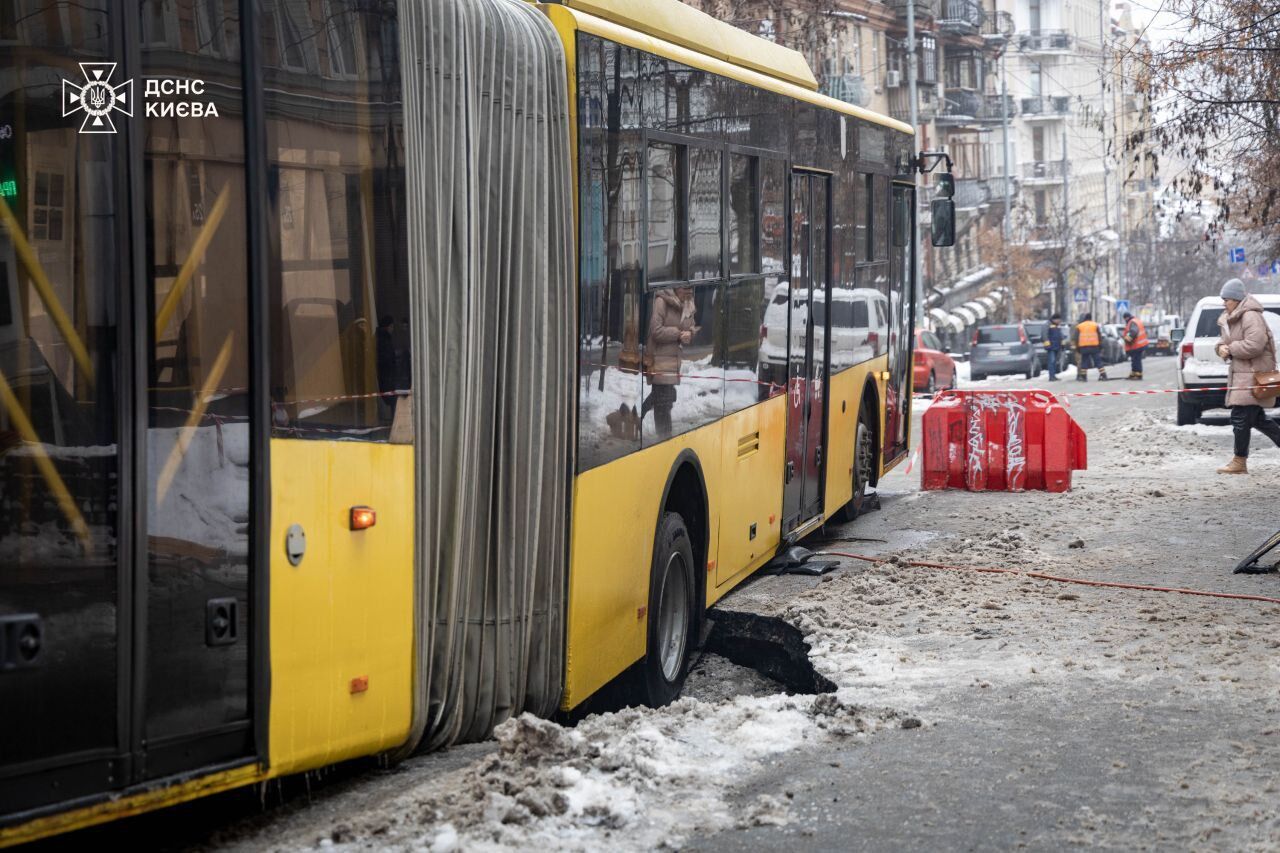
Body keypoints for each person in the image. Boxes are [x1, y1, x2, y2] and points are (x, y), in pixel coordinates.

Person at [1213, 278, 1280, 474]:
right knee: (1258, 420)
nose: (1223, 303)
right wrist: (1221, 349)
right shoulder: (1232, 317)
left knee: (1240, 419)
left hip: (1252, 375)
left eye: (1226, 299)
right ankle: (1239, 461)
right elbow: (1223, 341)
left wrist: (1231, 349)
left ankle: (1239, 461)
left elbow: (1255, 345)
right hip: (1242, 376)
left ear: (1236, 298)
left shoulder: (1250, 316)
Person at [642, 287, 697, 439]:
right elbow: (656, 331)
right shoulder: (662, 301)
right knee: (663, 403)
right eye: (686, 289)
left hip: (674, 362)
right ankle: (664, 438)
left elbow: (692, 325)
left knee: (664, 399)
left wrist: (690, 333)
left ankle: (640, 413)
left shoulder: (688, 303)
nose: (689, 292)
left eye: (690, 289)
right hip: (660, 359)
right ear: (677, 288)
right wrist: (678, 335)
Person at [1072, 313, 1107, 382]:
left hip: (1083, 347)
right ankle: (1103, 375)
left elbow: (1076, 338)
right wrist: (1100, 346)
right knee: (1098, 361)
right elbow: (1099, 336)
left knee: (1084, 362)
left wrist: (1077, 348)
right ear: (1091, 318)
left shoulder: (1079, 326)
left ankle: (1084, 377)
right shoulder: (1095, 325)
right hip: (1094, 346)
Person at [1121, 311, 1148, 380]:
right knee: (1134, 359)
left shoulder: (1132, 322)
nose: (1125, 320)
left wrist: (1127, 339)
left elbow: (1133, 332)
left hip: (1137, 345)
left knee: (1136, 360)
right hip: (1139, 344)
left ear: (1126, 318)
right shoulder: (1136, 320)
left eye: (1125, 319)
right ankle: (1133, 373)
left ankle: (1138, 374)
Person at [1044, 314, 1065, 381]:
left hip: (1057, 347)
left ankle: (1053, 375)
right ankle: (1051, 376)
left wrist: (1062, 344)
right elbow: (1044, 335)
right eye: (1059, 320)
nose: (1060, 321)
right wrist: (1047, 345)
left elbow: (1061, 336)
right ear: (1055, 319)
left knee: (1055, 362)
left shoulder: (1057, 326)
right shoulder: (1047, 324)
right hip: (1051, 347)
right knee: (1051, 361)